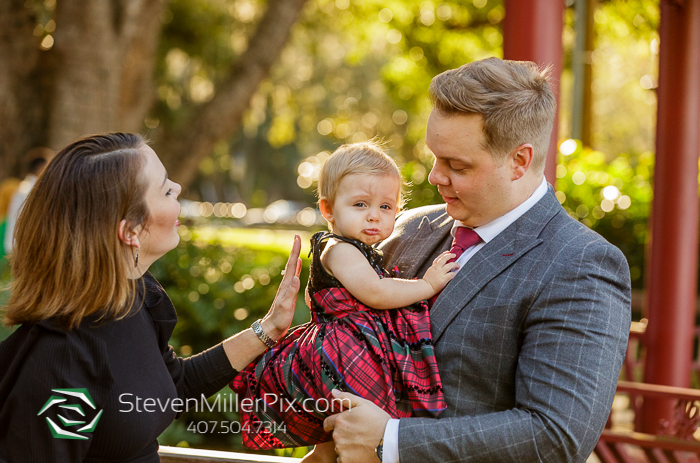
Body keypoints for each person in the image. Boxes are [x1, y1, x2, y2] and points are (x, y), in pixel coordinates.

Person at [323, 58, 632, 463]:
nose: (435, 177)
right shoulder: (406, 228)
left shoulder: (582, 264)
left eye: (456, 165)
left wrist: (391, 441)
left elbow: (555, 437)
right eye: (434, 156)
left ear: (519, 161)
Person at [0, 133, 303, 463]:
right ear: (129, 230)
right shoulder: (63, 359)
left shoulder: (132, 299)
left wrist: (269, 329)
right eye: (165, 189)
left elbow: (175, 388)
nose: (178, 189)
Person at [230, 142, 458, 461]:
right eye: (361, 204)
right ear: (328, 209)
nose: (373, 217)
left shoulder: (354, 247)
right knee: (362, 439)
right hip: (345, 358)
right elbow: (375, 293)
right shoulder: (340, 249)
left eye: (386, 207)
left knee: (329, 447)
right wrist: (427, 284)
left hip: (346, 354)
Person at [3, 147, 53, 255]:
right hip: (24, 249)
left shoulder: (27, 187)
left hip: (21, 247)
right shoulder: (29, 190)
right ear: (41, 168)